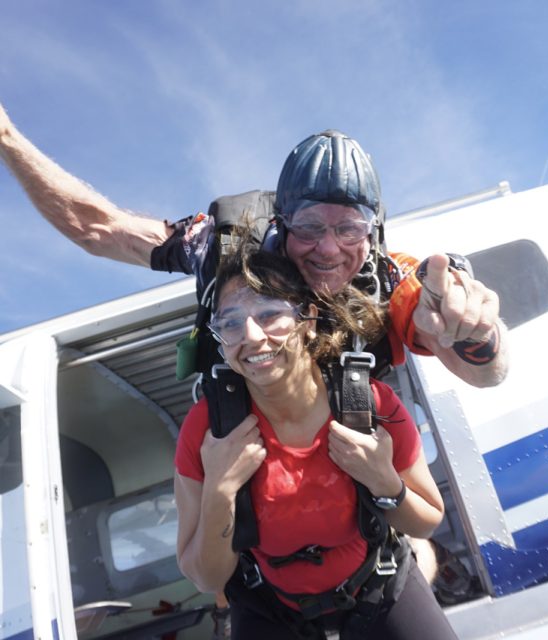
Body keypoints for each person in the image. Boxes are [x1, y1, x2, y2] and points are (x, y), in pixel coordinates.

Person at [0, 104, 507, 389]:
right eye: (309, 225)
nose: (329, 249)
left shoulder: (393, 279)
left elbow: (485, 374)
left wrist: (476, 332)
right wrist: (6, 137)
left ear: (372, 232)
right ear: (282, 222)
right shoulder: (222, 248)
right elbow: (96, 229)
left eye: (349, 228)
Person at [174, 234, 458, 639]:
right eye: (231, 323)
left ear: (307, 320)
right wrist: (220, 489)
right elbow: (206, 576)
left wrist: (384, 481)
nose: (252, 336)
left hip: (377, 584)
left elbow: (428, 521)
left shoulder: (367, 403)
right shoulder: (208, 430)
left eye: (270, 314)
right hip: (270, 605)